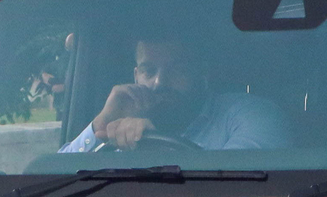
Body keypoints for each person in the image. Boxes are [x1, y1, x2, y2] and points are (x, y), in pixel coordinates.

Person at [62, 33, 288, 152]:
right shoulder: (120, 129)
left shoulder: (249, 114)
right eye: (148, 71)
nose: (159, 82)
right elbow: (55, 185)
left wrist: (156, 150)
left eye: (177, 70)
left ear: (202, 73)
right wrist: (100, 124)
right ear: (135, 76)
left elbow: (244, 184)